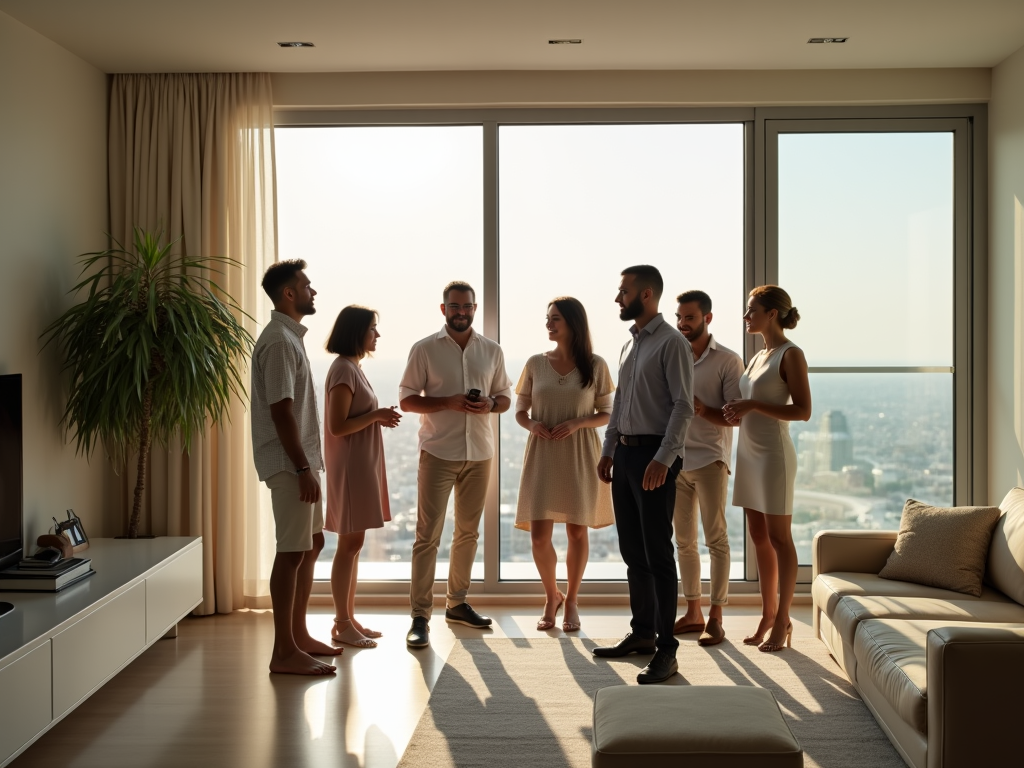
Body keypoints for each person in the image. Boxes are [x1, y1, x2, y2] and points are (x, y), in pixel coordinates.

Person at [594, 265, 694, 685]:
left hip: (655, 458)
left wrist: (664, 458)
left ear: (647, 294)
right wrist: (608, 449)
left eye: (624, 292)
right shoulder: (628, 346)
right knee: (634, 552)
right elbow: (619, 408)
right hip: (627, 458)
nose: (618, 299)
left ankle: (667, 651)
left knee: (658, 554)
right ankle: (642, 634)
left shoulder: (671, 343)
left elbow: (683, 406)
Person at [400, 281, 513, 648]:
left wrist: (491, 406)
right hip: (437, 453)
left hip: (480, 453)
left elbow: (505, 397)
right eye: (454, 306)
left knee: (468, 533)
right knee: (427, 536)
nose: (461, 312)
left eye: (466, 307)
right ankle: (420, 616)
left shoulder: (492, 351)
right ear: (443, 308)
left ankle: (457, 603)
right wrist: (446, 402)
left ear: (475, 308)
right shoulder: (424, 349)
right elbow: (407, 401)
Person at [250, 259, 342, 675]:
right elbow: (281, 411)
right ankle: (283, 651)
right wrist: (303, 469)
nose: (313, 291)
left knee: (313, 542)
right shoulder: (279, 341)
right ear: (289, 293)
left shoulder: (290, 337)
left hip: (301, 461)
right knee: (290, 553)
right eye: (307, 285)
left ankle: (299, 635)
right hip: (291, 465)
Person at [514, 297, 615, 633]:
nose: (548, 324)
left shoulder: (596, 365)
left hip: (580, 453)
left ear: (573, 323)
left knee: (576, 530)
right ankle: (550, 595)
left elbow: (607, 413)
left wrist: (576, 423)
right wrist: (533, 426)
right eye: (547, 318)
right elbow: (520, 411)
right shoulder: (534, 363)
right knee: (540, 537)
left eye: (555, 319)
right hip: (543, 454)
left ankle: (571, 599)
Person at [723, 285, 811, 653]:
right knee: (758, 537)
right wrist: (738, 410)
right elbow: (751, 404)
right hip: (749, 453)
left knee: (779, 538)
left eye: (751, 310)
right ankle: (768, 613)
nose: (746, 317)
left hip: (774, 455)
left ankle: (784, 619)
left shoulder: (790, 354)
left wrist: (753, 405)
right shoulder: (759, 355)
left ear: (772, 313)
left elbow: (802, 411)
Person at [324, 306, 402, 648]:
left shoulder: (352, 368)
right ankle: (342, 622)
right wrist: (376, 415)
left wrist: (376, 417)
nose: (377, 335)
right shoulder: (343, 370)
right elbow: (337, 426)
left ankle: (347, 618)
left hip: (359, 464)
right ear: (358, 331)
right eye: (373, 328)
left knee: (352, 545)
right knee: (349, 544)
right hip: (352, 466)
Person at [671, 290, 744, 646]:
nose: (683, 324)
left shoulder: (728, 361)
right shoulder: (672, 355)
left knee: (716, 538)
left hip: (710, 459)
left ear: (707, 319)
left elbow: (736, 417)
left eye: (690, 318)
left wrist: (701, 409)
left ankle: (716, 616)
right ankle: (693, 611)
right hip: (676, 459)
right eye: (679, 317)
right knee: (683, 541)